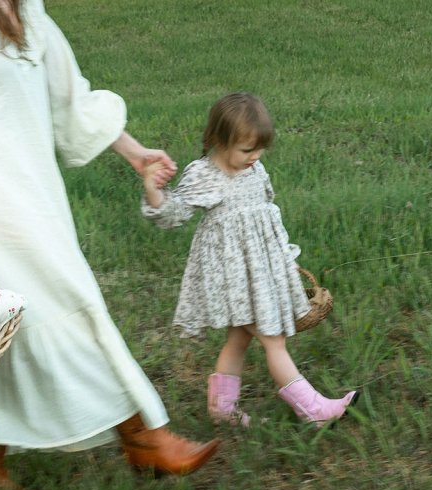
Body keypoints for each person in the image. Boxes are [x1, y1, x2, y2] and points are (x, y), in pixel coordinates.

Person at [0, 0, 220, 490]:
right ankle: (142, 435)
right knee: (60, 296)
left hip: (32, 185)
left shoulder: (27, 6)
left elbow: (68, 97)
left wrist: (136, 154)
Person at [141, 92, 357, 426]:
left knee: (239, 338)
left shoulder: (255, 170)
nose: (255, 156)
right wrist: (153, 190)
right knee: (274, 340)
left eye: (260, 149)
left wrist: (283, 258)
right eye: (246, 150)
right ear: (219, 140)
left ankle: (222, 409)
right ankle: (314, 410)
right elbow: (174, 213)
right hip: (232, 278)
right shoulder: (204, 174)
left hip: (258, 272)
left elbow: (267, 217)